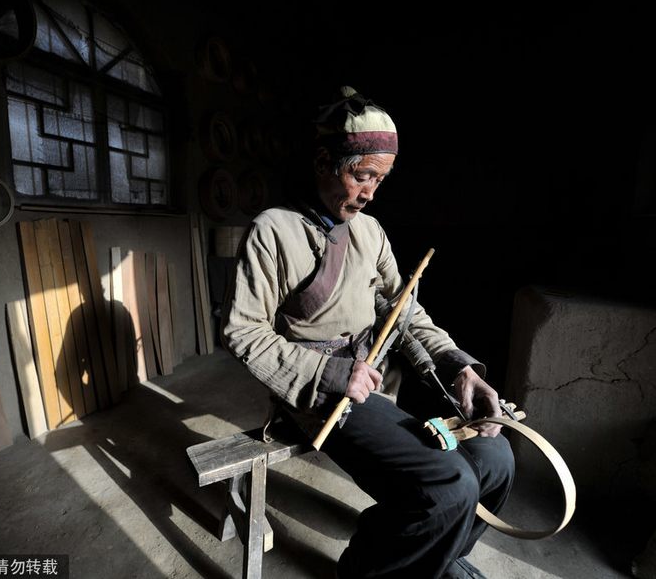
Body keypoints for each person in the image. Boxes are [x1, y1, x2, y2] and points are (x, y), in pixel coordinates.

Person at [220, 86, 515, 579]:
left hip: (378, 381)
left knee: (496, 456)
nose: (371, 192)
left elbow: (405, 311)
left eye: (381, 179)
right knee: (448, 484)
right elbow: (243, 332)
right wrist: (334, 374)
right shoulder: (273, 229)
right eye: (362, 176)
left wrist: (458, 364)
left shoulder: (371, 231)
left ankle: (430, 558)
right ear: (323, 160)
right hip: (319, 395)